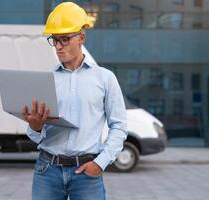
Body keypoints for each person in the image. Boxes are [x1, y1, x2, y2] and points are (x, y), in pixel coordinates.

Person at [21, 2, 127, 200]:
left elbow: (119, 126)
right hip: (47, 170)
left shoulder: (105, 79)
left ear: (82, 38)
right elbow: (36, 135)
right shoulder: (46, 80)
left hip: (86, 172)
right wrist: (35, 127)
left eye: (65, 40)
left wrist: (100, 163)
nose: (59, 47)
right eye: (55, 40)